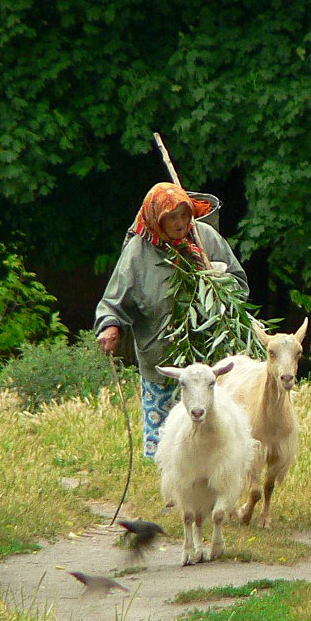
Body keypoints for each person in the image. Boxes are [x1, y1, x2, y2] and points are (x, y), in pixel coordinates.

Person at [95, 182, 248, 458]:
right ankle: (169, 494)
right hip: (161, 361)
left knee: (215, 443)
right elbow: (114, 301)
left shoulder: (206, 238)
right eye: (172, 217)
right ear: (157, 219)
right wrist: (110, 326)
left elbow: (240, 286)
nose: (181, 224)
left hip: (208, 358)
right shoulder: (138, 252)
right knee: (166, 447)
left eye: (185, 215)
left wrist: (217, 278)